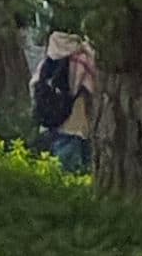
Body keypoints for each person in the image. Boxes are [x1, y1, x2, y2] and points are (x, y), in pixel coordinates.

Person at [32, 26, 97, 175]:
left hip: (54, 122)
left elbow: (34, 83)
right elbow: (94, 86)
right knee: (81, 171)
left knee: (60, 172)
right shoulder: (81, 57)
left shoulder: (49, 58)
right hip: (77, 124)